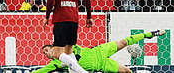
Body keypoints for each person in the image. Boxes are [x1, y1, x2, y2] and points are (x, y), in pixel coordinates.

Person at [42, 0, 93, 73]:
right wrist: (88, 17)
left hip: (61, 18)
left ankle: (82, 72)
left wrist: (47, 17)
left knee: (56, 53)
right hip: (74, 19)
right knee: (69, 52)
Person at [33, 30, 166, 73]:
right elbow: (41, 71)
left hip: (98, 51)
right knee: (127, 71)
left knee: (124, 42)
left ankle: (151, 33)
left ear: (52, 46)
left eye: (46, 50)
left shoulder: (68, 45)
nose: (46, 53)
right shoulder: (57, 63)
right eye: (44, 54)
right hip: (100, 65)